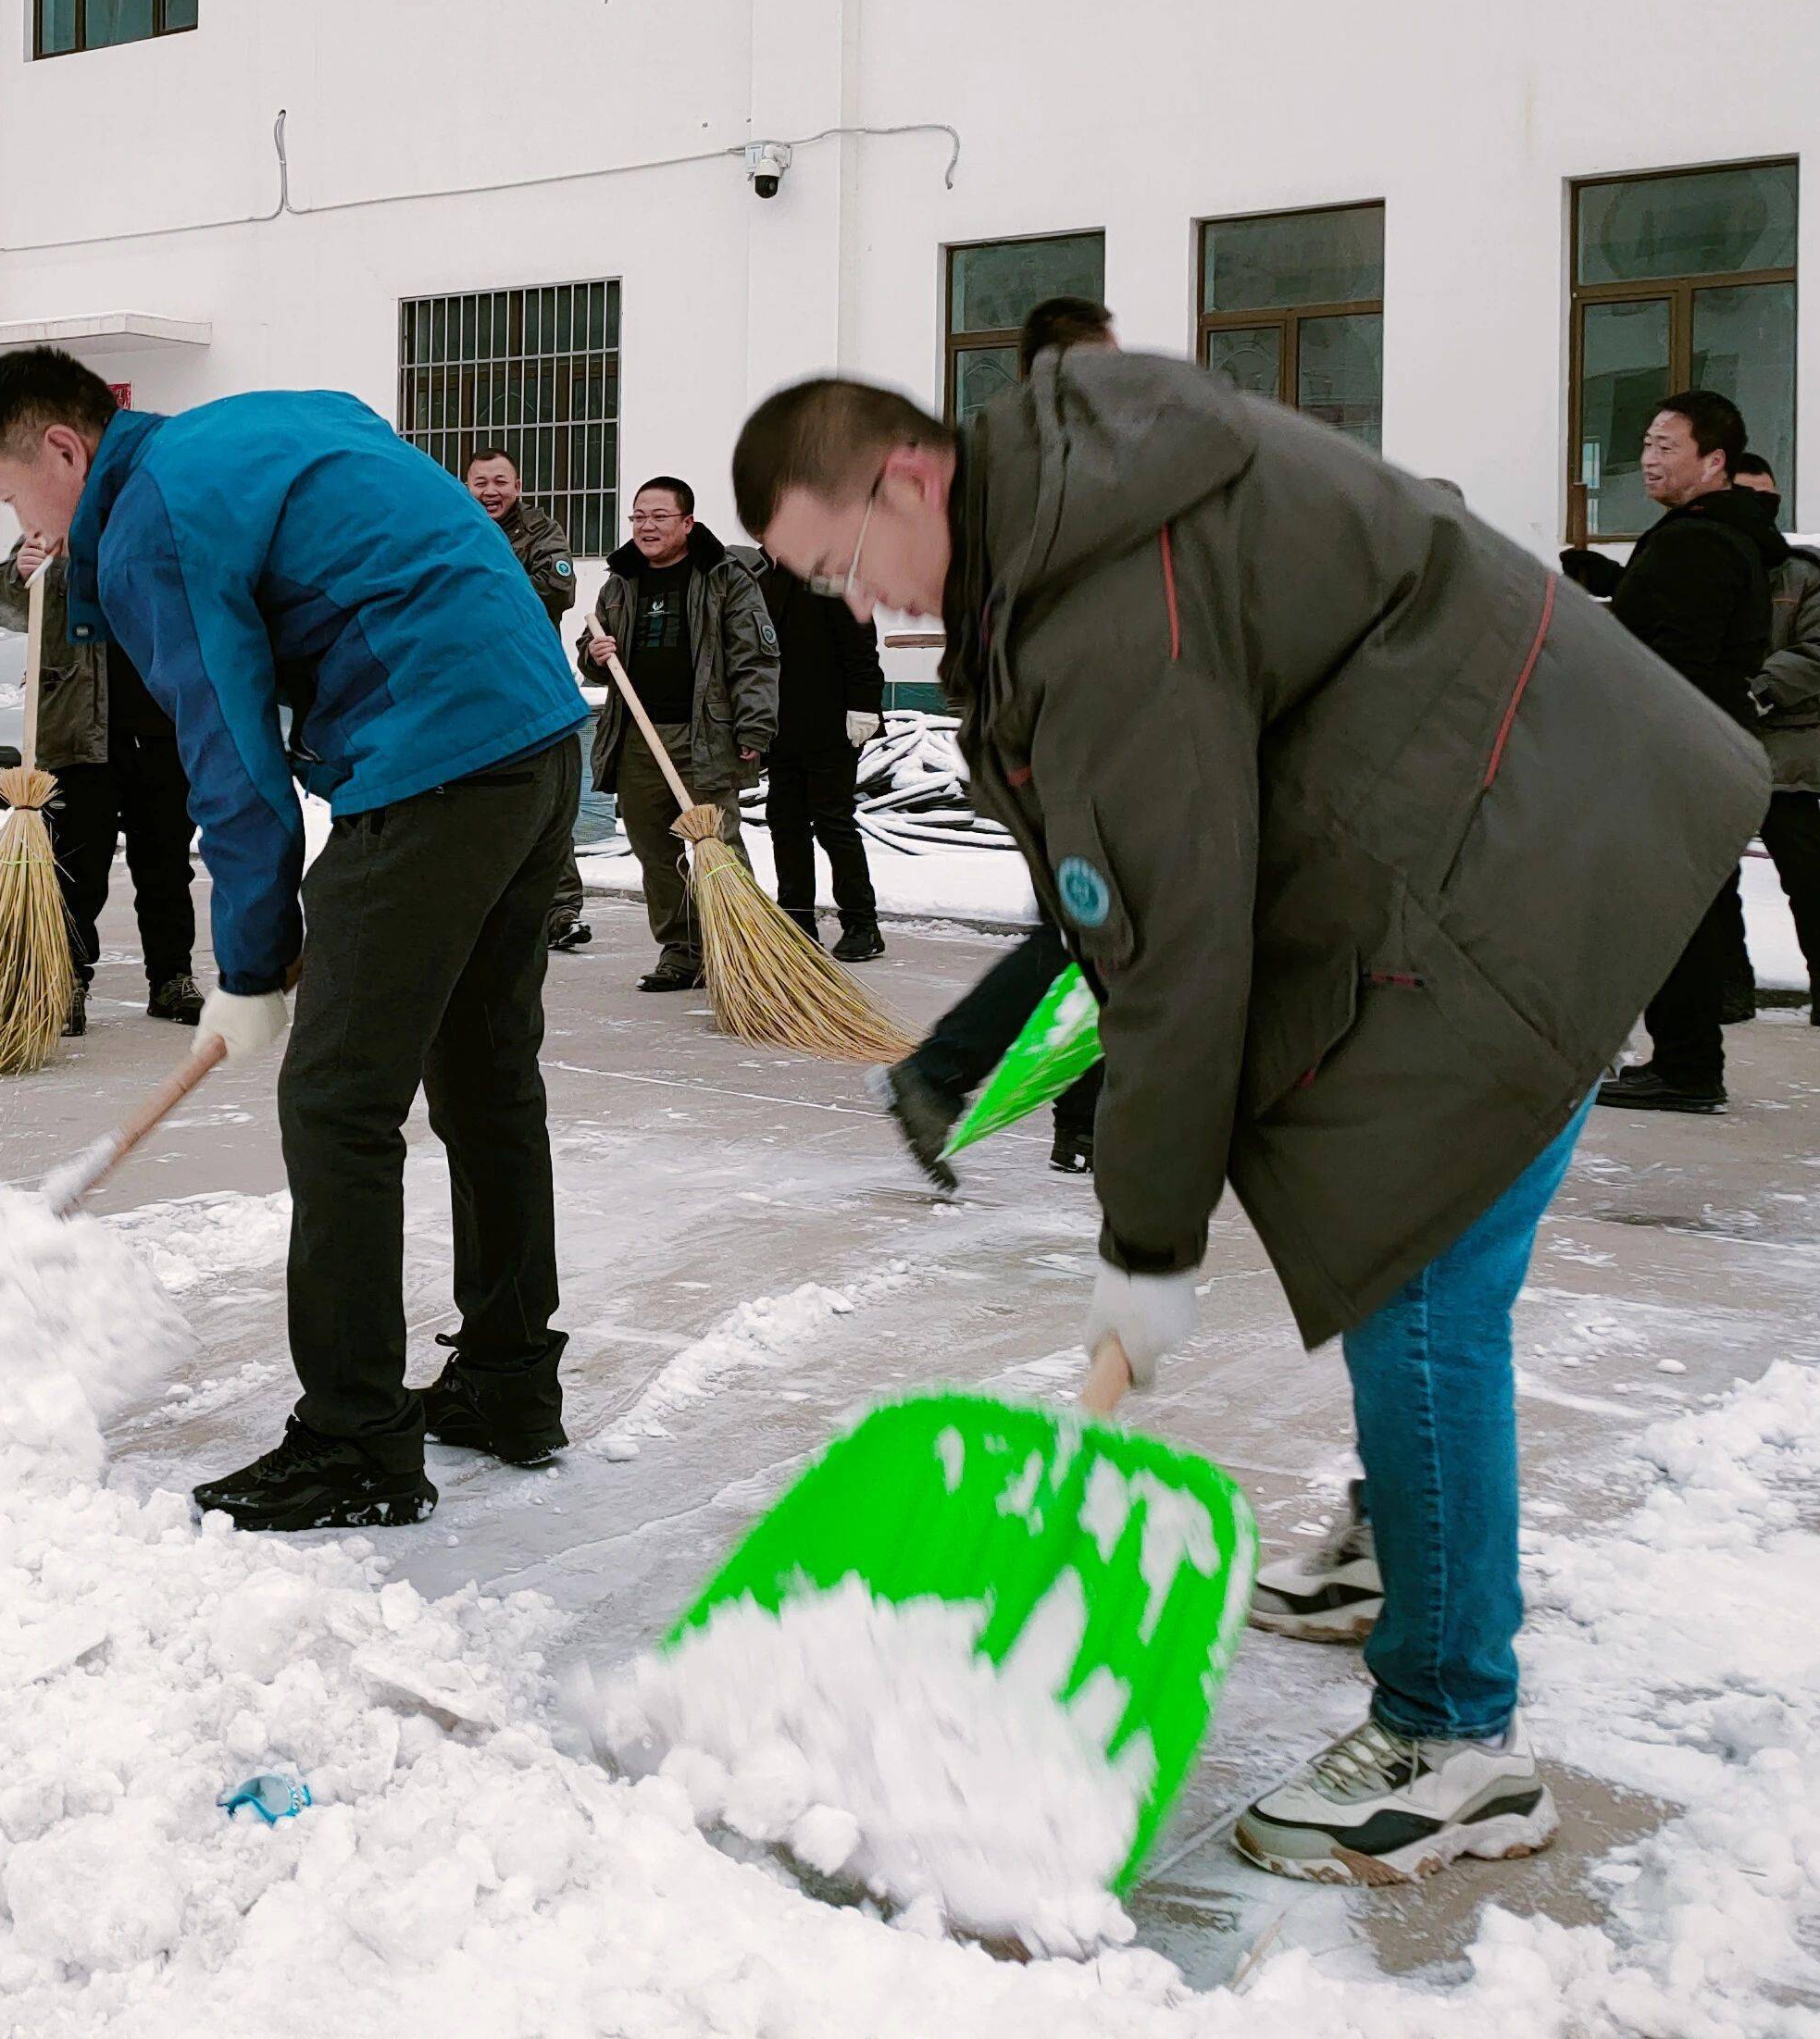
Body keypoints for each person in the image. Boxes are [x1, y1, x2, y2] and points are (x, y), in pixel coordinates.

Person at [734, 354, 1759, 1884]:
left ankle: (1453, 1735)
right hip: (1514, 803)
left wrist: (1147, 1253)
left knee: (1421, 1281)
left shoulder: (1098, 603)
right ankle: (1395, 1539)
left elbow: (1173, 961)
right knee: (1388, 1233)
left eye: (839, 562)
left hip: (1512, 862)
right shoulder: (1075, 499)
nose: (852, 604)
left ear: (908, 481)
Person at [0, 350, 589, 1533]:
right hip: (538, 739)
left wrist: (249, 962)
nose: (20, 524)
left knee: (339, 1105)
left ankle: (353, 1443)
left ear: (62, 451)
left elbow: (233, 764)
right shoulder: (260, 422)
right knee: (487, 1079)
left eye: (6, 492)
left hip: (433, 755)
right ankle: (509, 1381)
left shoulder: (148, 520)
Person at [873, 294, 1118, 1183]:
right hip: (1071, 735)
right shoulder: (1040, 471)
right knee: (1092, 934)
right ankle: (942, 1076)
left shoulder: (1022, 466)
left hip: (1053, 731)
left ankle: (1078, 1118)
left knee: (1103, 934)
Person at [1587, 390, 1780, 1116]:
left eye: (1668, 446)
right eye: (1645, 444)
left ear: (1715, 461)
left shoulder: (1699, 539)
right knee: (1687, 909)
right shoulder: (1711, 533)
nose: (1649, 458)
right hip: (1693, 743)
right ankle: (1685, 1059)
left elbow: (1678, 657)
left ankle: (1688, 1065)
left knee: (1673, 914)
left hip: (1671, 747)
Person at [0, 525, 204, 1034]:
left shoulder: (171, 524)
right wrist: (21, 575)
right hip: (82, 732)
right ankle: (67, 982)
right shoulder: (59, 524)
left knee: (167, 864)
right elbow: (7, 605)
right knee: (77, 867)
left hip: (165, 728)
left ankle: (171, 979)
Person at [581, 478, 778, 995]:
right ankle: (681, 949)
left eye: (659, 516)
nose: (646, 526)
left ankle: (742, 950)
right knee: (654, 849)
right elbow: (594, 650)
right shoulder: (619, 581)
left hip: (705, 733)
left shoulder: (724, 578)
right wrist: (593, 655)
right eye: (638, 516)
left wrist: (755, 724)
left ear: (687, 522)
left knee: (719, 845)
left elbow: (754, 658)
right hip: (637, 736)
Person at [1719, 455, 1820, 1038]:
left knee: (1808, 879)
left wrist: (1757, 691)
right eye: (1745, 495)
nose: (1759, 509)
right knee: (1714, 880)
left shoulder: (1802, 575)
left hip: (1786, 750)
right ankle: (1731, 986)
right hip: (1716, 747)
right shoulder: (1700, 566)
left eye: (1769, 498)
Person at [466, 446, 592, 954]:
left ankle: (561, 911)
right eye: (480, 483)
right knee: (474, 801)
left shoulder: (542, 532)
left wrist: (482, 589)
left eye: (500, 482)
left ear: (517, 488)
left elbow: (557, 591)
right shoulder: (449, 527)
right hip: (470, 688)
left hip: (532, 686)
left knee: (548, 799)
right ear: (466, 487)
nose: (491, 491)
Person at [752, 551, 886, 960]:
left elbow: (860, 643)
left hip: (832, 726)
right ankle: (797, 921)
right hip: (781, 727)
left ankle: (862, 924)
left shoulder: (832, 571)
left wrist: (864, 704)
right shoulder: (761, 575)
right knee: (785, 822)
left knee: (833, 821)